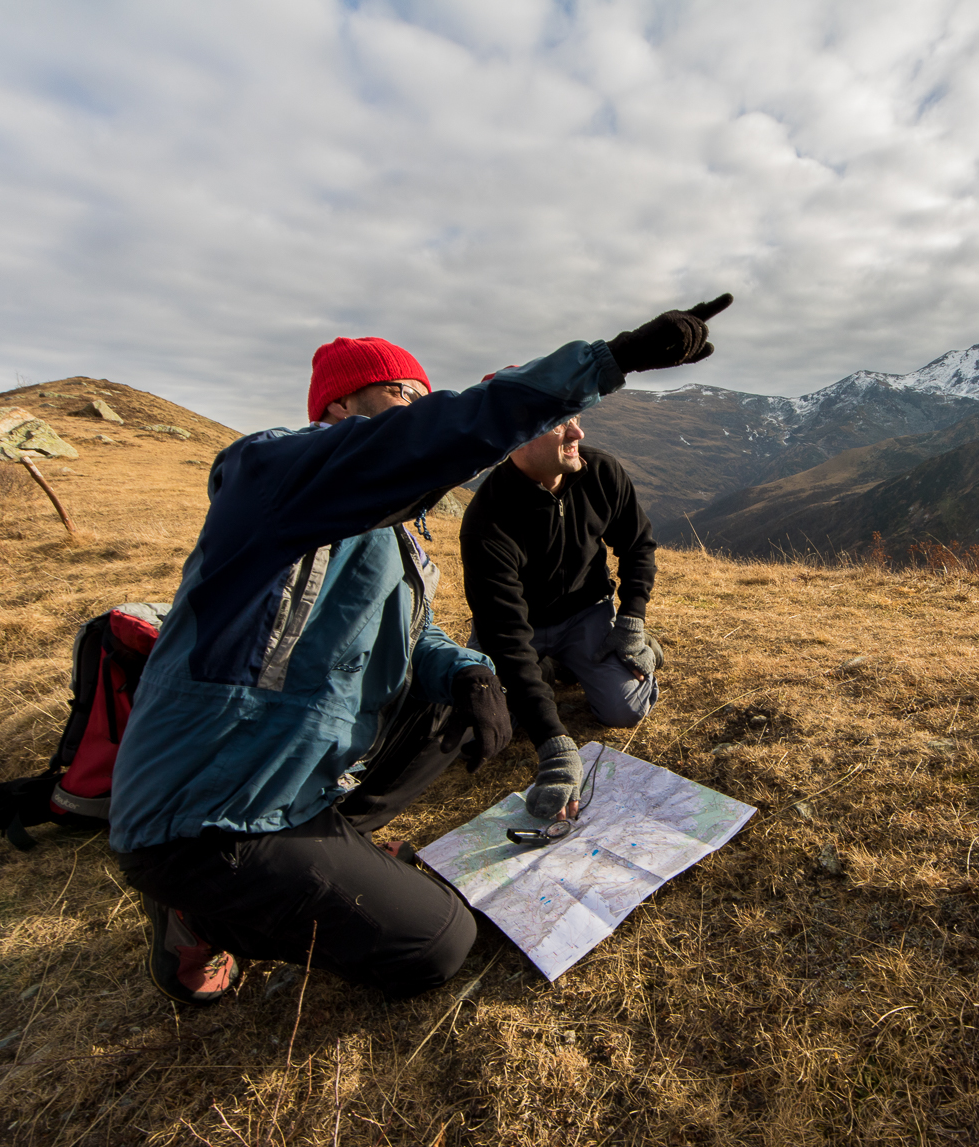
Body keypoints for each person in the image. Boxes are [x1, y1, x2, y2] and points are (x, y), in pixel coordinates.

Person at [110, 294, 732, 1006]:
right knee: (437, 943)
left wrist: (467, 671)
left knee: (461, 694)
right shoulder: (272, 472)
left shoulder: (388, 527)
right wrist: (609, 359)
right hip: (210, 810)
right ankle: (196, 914)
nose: (419, 405)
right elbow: (434, 437)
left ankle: (334, 845)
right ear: (340, 406)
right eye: (402, 392)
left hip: (299, 779)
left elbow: (411, 632)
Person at [459, 411, 661, 822]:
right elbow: (505, 636)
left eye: (575, 417)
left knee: (624, 709)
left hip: (586, 614)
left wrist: (632, 620)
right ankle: (548, 670)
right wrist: (554, 747)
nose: (577, 432)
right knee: (484, 727)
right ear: (515, 437)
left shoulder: (601, 472)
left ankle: (637, 649)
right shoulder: (487, 519)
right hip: (519, 631)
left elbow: (638, 545)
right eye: (558, 423)